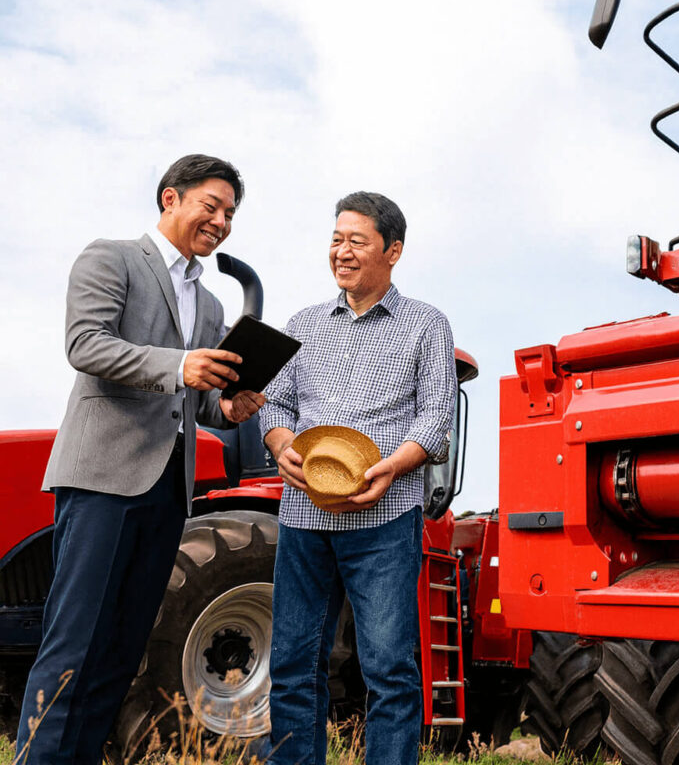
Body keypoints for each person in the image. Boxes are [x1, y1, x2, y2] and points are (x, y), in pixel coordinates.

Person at [16, 154, 266, 764]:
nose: (221, 221)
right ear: (170, 198)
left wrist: (227, 410)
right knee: (75, 641)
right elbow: (85, 343)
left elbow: (194, 400)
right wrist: (179, 366)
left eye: (230, 213)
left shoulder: (208, 306)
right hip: (104, 478)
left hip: (167, 491)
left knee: (123, 647)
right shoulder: (112, 257)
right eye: (211, 205)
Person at [259, 191, 456, 764]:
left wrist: (392, 468)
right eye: (336, 239)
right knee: (294, 665)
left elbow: (437, 416)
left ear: (392, 251)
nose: (341, 252)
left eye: (357, 241)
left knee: (390, 668)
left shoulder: (426, 323)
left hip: (385, 519)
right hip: (303, 517)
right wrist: (281, 446)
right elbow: (275, 406)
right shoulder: (302, 325)